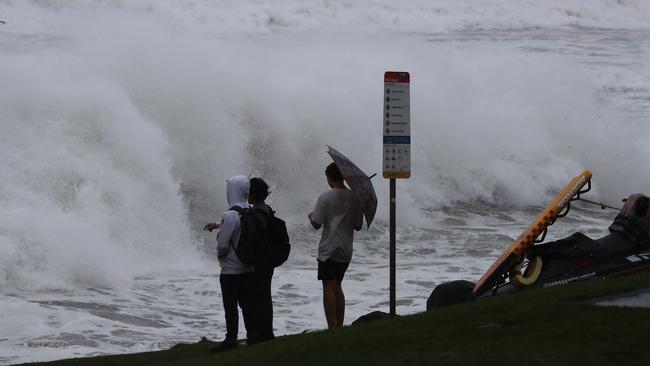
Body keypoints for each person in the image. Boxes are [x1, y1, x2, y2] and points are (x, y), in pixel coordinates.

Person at [203, 175, 255, 352]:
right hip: (248, 266)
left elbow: (223, 245)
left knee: (230, 306)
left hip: (231, 271)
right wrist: (219, 224)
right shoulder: (250, 210)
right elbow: (239, 224)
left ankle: (231, 339)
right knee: (247, 304)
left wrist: (220, 256)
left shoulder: (229, 214)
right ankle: (252, 335)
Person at [308, 162, 363, 329]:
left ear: (330, 178)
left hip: (329, 249)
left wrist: (311, 216)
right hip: (346, 250)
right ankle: (339, 324)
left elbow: (316, 224)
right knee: (338, 285)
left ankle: (332, 327)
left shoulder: (326, 197)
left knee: (329, 287)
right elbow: (358, 225)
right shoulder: (356, 198)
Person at [248, 177, 276, 342]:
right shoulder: (267, 208)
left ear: (253, 194)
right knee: (264, 295)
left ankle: (260, 334)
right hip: (268, 258)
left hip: (260, 260)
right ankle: (266, 332)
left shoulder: (256, 212)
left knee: (258, 296)